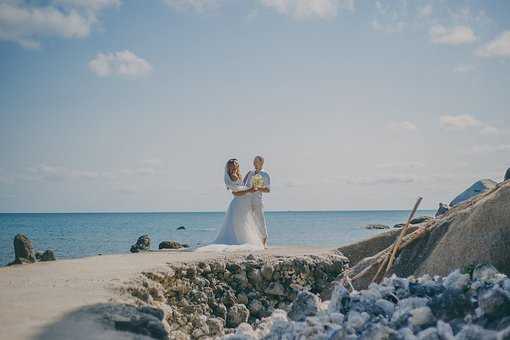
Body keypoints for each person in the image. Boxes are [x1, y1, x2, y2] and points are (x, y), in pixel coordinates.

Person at [195, 158, 266, 251]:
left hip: (244, 202)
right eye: (232, 165)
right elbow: (236, 192)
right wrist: (250, 190)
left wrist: (249, 179)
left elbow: (241, 186)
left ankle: (245, 240)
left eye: (236, 164)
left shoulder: (237, 174)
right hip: (238, 203)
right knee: (239, 224)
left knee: (244, 223)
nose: (234, 167)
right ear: (229, 167)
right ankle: (240, 241)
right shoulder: (231, 176)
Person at [243, 155, 270, 248]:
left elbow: (268, 189)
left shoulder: (265, 174)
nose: (254, 163)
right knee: (250, 221)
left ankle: (264, 242)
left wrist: (258, 188)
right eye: (254, 162)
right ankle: (253, 241)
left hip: (257, 201)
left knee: (260, 221)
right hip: (247, 201)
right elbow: (244, 185)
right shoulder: (250, 173)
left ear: (261, 163)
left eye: (256, 162)